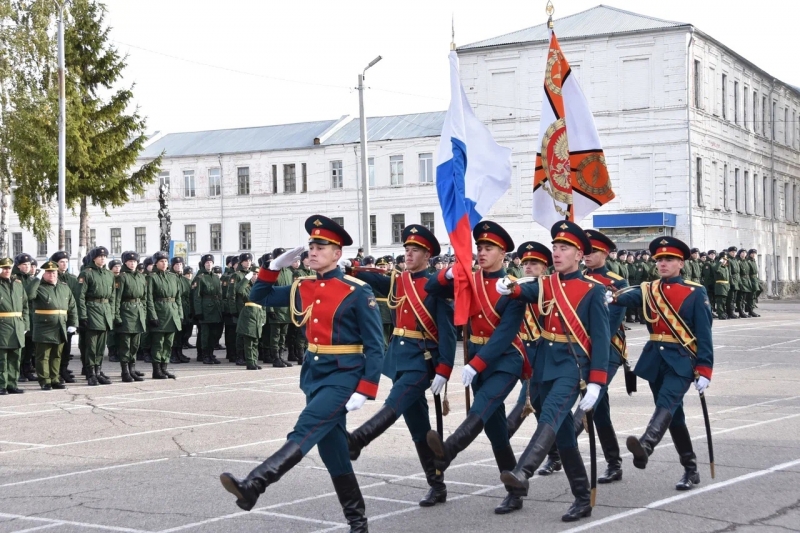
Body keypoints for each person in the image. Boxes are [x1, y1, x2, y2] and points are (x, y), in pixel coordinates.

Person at [220, 215, 384, 532]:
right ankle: (358, 522)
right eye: (311, 244)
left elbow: (376, 346)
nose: (313, 250)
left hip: (343, 376)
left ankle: (255, 484)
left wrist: (365, 388)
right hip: (313, 374)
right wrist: (271, 267)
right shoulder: (303, 286)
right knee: (334, 452)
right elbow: (259, 297)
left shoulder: (357, 291)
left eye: (321, 246)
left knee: (305, 429)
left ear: (337, 253)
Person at [497, 221, 609, 522]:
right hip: (544, 365)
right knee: (563, 436)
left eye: (564, 249)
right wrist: (508, 286)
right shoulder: (545, 285)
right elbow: (524, 289)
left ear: (578, 254)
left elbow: (600, 339)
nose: (557, 254)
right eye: (555, 248)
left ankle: (522, 473)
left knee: (549, 418)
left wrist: (597, 382)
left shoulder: (593, 291)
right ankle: (583, 497)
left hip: (573, 367)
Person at [346, 224, 456, 507]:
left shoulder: (436, 286)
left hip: (422, 360)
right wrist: (348, 268)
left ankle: (358, 439)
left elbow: (447, 331)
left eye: (414, 250)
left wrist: (444, 369)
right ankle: (437, 485)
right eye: (406, 249)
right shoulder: (398, 281)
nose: (408, 254)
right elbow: (368, 280)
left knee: (395, 403)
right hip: (399, 360)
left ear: (427, 254)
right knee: (418, 428)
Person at [425, 221, 530, 515]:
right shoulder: (468, 279)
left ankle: (448, 450)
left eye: (489, 248)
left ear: (503, 252)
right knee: (496, 431)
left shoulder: (512, 286)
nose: (482, 253)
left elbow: (506, 333)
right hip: (478, 358)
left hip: (506, 358)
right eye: (479, 248)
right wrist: (449, 272)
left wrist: (475, 364)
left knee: (482, 405)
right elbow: (431, 288)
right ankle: (516, 488)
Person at [612, 236, 713, 491]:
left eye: (669, 259)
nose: (663, 264)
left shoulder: (695, 292)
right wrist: (608, 296)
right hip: (656, 359)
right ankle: (691, 469)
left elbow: (704, 333)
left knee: (667, 403)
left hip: (682, 360)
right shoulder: (649, 289)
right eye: (660, 260)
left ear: (681, 263)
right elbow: (626, 296)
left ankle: (646, 444)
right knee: (674, 417)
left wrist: (705, 369)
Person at [573, 230, 629, 484]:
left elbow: (609, 324)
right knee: (599, 410)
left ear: (605, 254)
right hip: (577, 351)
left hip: (607, 352)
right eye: (584, 250)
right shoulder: (575, 278)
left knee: (586, 405)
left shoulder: (617, 283)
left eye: (592, 251)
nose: (586, 255)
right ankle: (614, 462)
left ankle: (553, 448)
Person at [503, 241, 563, 476]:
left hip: (545, 355)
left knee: (524, 403)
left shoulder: (549, 288)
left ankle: (502, 439)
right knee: (539, 408)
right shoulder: (514, 286)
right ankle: (557, 455)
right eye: (526, 263)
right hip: (521, 354)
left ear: (545, 267)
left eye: (534, 263)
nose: (528, 267)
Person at [27, 261, 78, 390]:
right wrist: (36, 280)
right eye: (48, 272)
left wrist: (73, 323)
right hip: (44, 327)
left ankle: (54, 379)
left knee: (56, 355)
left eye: (54, 272)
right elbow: (29, 295)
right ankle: (45, 381)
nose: (51, 275)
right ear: (43, 274)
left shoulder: (64, 287)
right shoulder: (39, 287)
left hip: (60, 326)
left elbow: (72, 307)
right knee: (43, 356)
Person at [77, 247, 116, 386]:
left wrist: (112, 314)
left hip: (105, 312)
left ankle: (98, 372)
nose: (103, 258)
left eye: (105, 256)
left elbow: (112, 297)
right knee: (91, 346)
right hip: (92, 310)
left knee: (100, 346)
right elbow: (80, 297)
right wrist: (83, 316)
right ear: (94, 258)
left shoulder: (109, 274)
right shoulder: (86, 274)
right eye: (100, 256)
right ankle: (90, 373)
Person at [113, 251, 147, 382]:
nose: (132, 264)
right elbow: (117, 298)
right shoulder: (122, 277)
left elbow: (143, 298)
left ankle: (132, 369)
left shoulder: (141, 277)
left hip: (138, 312)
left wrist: (143, 312)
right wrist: (117, 316)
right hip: (126, 312)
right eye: (130, 262)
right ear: (125, 263)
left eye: (134, 262)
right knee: (125, 344)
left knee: (135, 344)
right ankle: (125, 371)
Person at [0, 257, 28, 395]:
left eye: (9, 268)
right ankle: (1, 385)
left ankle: (12, 384)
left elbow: (25, 306)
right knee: (2, 359)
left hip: (17, 325)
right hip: (2, 326)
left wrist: (25, 324)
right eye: (4, 268)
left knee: (15, 358)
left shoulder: (18, 284)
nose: (6, 270)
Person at [52, 251, 79, 384]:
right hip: (55, 318)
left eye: (66, 262)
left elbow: (76, 301)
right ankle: (55, 372)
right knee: (56, 347)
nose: (64, 264)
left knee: (67, 347)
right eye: (62, 262)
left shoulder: (73, 279)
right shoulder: (51, 277)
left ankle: (63, 370)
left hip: (68, 318)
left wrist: (75, 320)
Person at [233, 253, 263, 369]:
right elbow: (239, 289)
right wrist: (247, 277)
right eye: (254, 274)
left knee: (255, 342)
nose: (256, 276)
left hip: (258, 316)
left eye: (257, 274)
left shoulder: (259, 288)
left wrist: (263, 318)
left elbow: (264, 304)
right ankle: (250, 362)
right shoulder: (247, 287)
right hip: (249, 316)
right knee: (249, 341)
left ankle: (254, 361)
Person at [193, 254, 223, 364]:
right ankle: (205, 355)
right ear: (203, 264)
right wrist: (198, 312)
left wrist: (221, 309)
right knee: (205, 334)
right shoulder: (200, 278)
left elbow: (220, 294)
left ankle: (211, 353)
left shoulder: (215, 277)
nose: (209, 264)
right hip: (206, 309)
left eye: (211, 262)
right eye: (207, 263)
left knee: (215, 333)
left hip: (216, 308)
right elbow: (197, 296)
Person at [267, 247, 294, 368]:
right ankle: (275, 358)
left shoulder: (289, 272)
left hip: (286, 309)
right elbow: (268, 291)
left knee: (283, 335)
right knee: (275, 336)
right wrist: (270, 309)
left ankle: (281, 357)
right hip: (276, 309)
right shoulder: (272, 271)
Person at [13, 254, 37, 383]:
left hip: (32, 316)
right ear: (18, 266)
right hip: (20, 315)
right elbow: (27, 295)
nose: (27, 267)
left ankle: (27, 370)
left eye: (29, 265)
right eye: (24, 265)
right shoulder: (15, 279)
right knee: (21, 347)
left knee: (30, 346)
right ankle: (20, 371)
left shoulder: (30, 278)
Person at [170, 257, 191, 363]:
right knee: (175, 333)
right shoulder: (170, 278)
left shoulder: (184, 280)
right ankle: (173, 354)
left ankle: (179, 352)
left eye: (181, 265)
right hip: (174, 307)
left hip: (185, 308)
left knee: (182, 332)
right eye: (176, 264)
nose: (179, 266)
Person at [714, 254, 730, 319]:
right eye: (723, 259)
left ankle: (723, 312)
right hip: (720, 286)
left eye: (725, 260)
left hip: (726, 286)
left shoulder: (725, 268)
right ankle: (720, 314)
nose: (724, 261)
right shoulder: (718, 266)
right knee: (720, 301)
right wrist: (720, 262)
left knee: (724, 301)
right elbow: (716, 269)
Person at [746, 249, 761, 315]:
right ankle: (750, 309)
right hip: (751, 279)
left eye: (754, 253)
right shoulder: (748, 261)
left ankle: (751, 306)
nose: (753, 254)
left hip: (755, 279)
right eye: (752, 253)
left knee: (758, 291)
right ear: (749, 254)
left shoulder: (753, 261)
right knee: (751, 295)